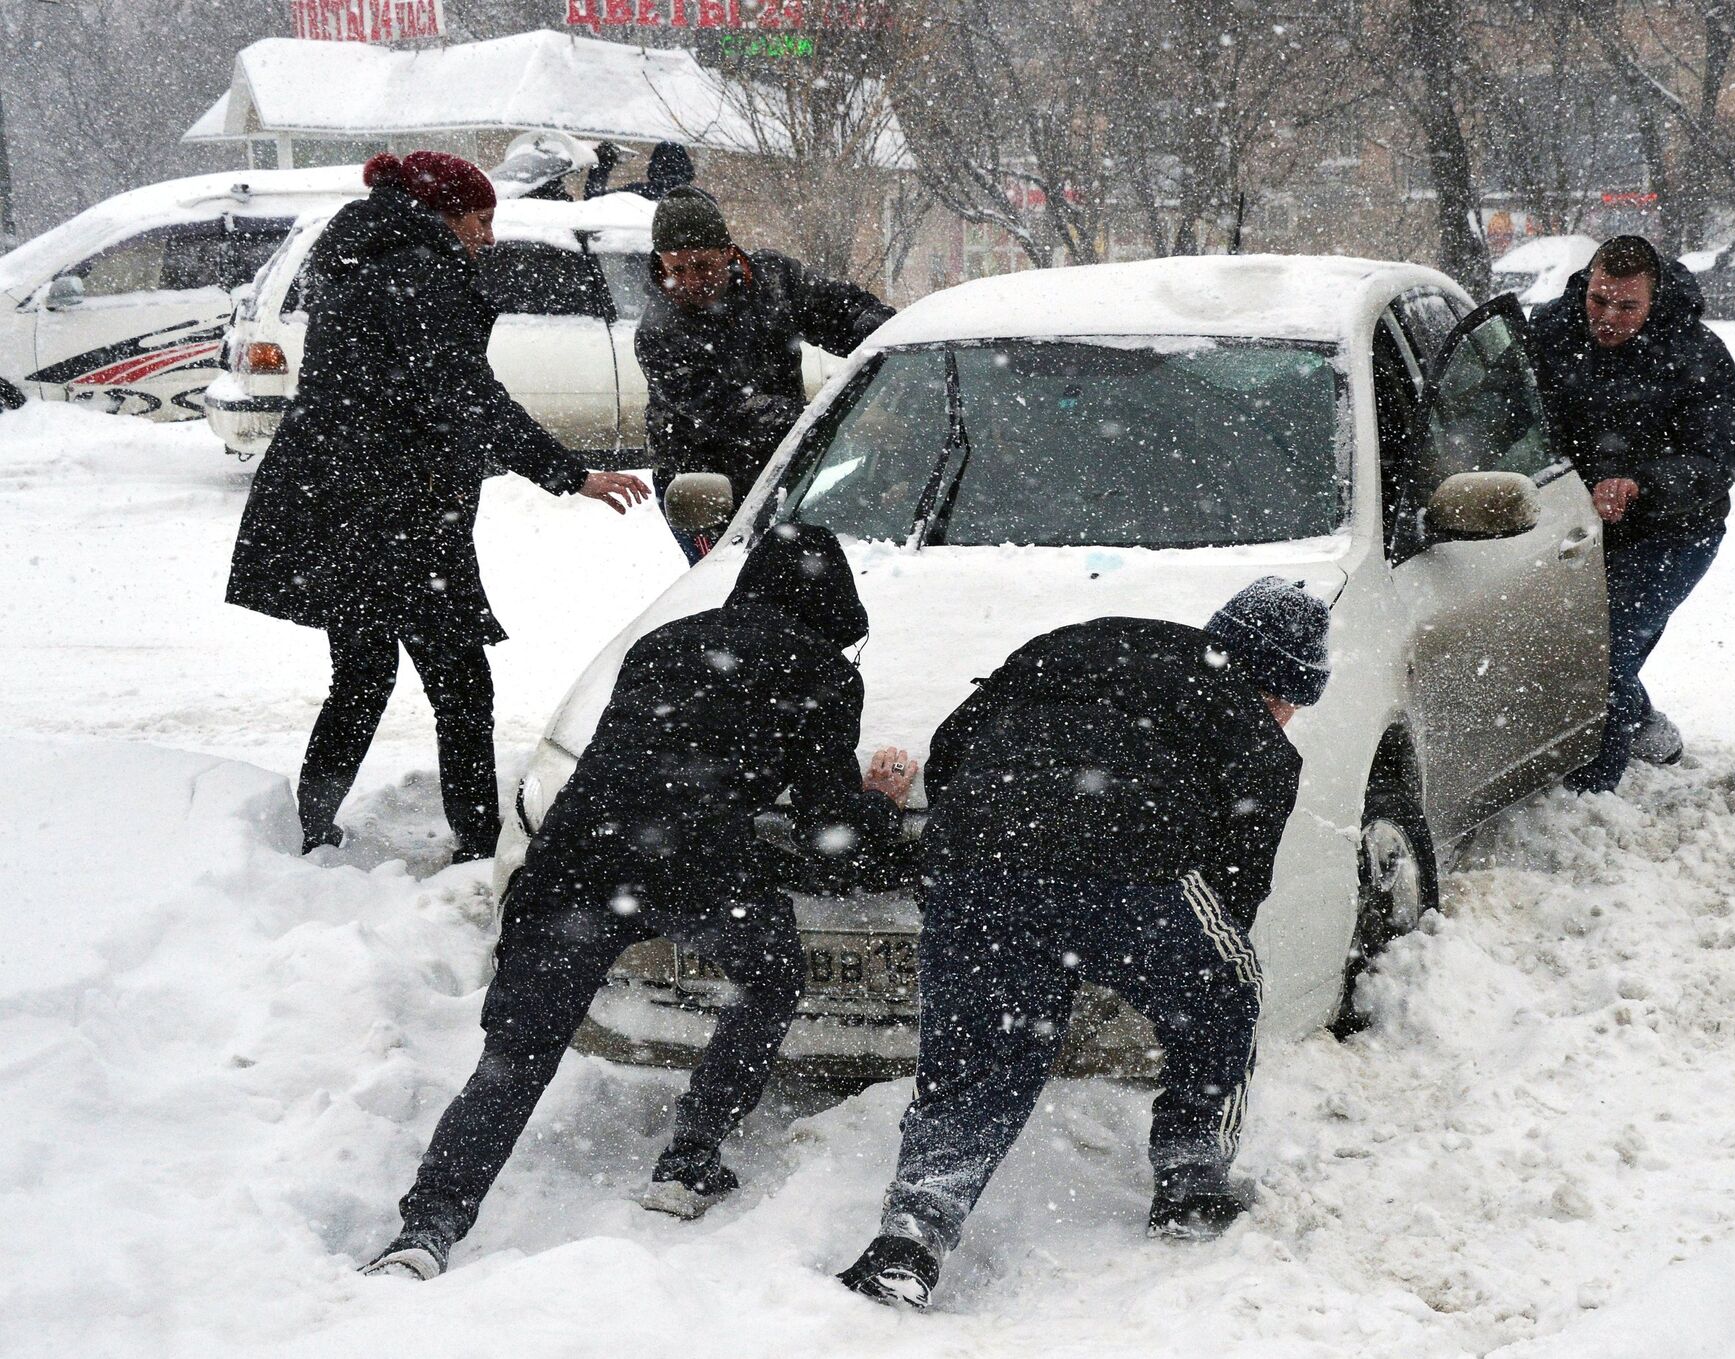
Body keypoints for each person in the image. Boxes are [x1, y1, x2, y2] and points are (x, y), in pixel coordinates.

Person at [362, 523, 917, 1281]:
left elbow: (635, 754)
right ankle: (686, 1164)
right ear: (834, 602)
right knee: (773, 975)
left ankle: (426, 1228)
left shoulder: (664, 641)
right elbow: (833, 834)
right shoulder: (821, 670)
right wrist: (877, 802)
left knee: (516, 1056)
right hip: (697, 862)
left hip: (579, 853)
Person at [838, 578, 1331, 1311]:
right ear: (1281, 689)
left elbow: (951, 748)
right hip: (1128, 871)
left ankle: (911, 1235)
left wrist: (994, 838)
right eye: (1295, 704)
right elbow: (1234, 893)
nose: (1288, 720)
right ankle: (1192, 1174)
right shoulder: (1255, 731)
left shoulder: (1080, 639)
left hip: (978, 860)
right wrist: (1151, 952)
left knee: (975, 1056)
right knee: (1230, 984)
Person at [226, 152, 647, 860]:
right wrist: (570, 474)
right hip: (398, 513)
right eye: (479, 219)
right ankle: (478, 843)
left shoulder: (360, 258)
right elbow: (465, 395)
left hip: (341, 499)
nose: (485, 236)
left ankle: (311, 825)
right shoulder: (418, 271)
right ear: (444, 213)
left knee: (361, 675)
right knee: (459, 684)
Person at [1529, 234, 1735, 793]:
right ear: (1588, 284)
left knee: (1598, 654)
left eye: (1626, 306)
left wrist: (1641, 483)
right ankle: (1646, 726)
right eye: (1599, 300)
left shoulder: (1697, 354)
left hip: (1674, 534)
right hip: (1578, 526)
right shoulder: (1551, 333)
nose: (1607, 317)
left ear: (1655, 299)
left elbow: (1718, 459)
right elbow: (1510, 411)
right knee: (1579, 646)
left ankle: (1591, 795)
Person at [635, 187, 895, 564]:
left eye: (704, 265)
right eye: (678, 270)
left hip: (780, 460)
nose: (692, 281)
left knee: (796, 573)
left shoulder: (775, 281)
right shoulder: (659, 332)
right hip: (701, 481)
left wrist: (886, 333)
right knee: (732, 582)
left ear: (728, 251)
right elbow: (729, 411)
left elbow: (842, 312)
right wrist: (837, 421)